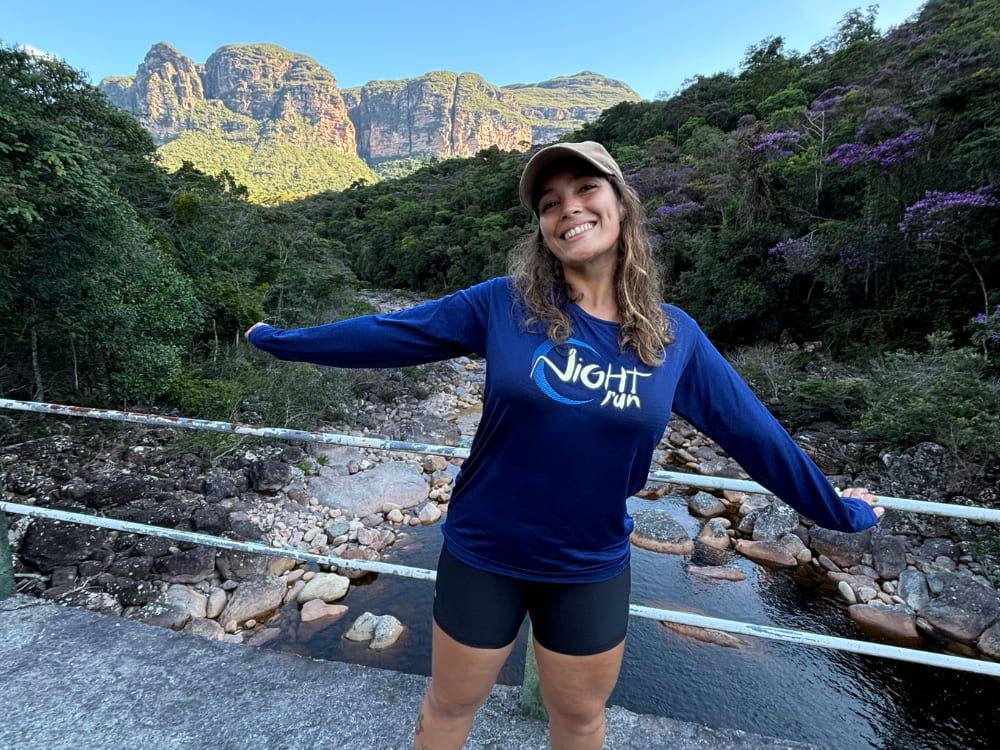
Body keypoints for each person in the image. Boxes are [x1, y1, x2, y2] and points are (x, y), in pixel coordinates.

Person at [246, 141, 883, 750]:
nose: (568, 208)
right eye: (549, 202)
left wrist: (837, 510)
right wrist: (281, 340)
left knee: (579, 718)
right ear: (542, 229)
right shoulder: (502, 305)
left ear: (621, 204)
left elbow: (755, 435)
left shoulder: (672, 338)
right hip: (484, 553)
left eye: (585, 188)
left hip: (588, 563)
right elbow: (388, 333)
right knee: (450, 706)